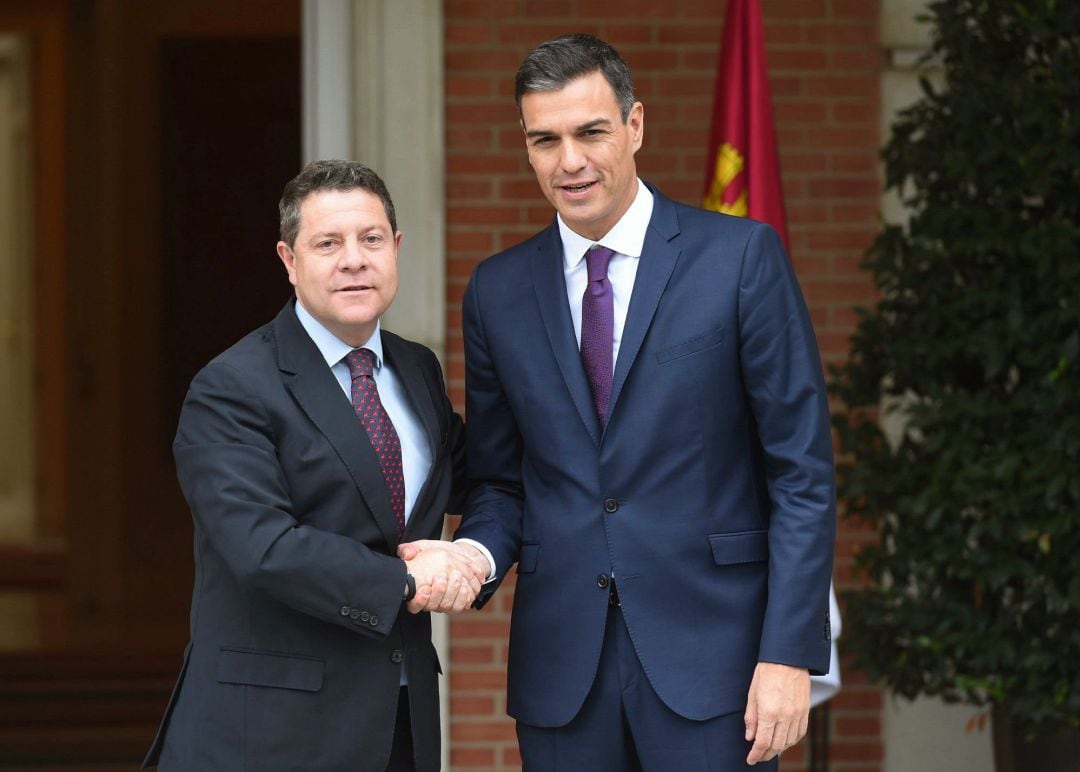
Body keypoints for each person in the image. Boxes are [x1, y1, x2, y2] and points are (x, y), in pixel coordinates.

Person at [402, 34, 836, 770]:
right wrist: (472, 556)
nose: (569, 161)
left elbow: (800, 473)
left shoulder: (739, 260)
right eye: (546, 140)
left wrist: (790, 654)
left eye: (590, 132)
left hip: (717, 665)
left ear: (635, 125)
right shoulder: (498, 293)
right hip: (562, 672)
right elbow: (503, 482)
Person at [143, 160, 487, 771]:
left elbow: (475, 478)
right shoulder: (232, 387)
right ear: (288, 259)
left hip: (401, 721)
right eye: (328, 243)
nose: (354, 259)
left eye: (371, 239)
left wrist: (474, 556)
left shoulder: (417, 369)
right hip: (273, 732)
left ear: (397, 247)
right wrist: (408, 582)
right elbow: (263, 546)